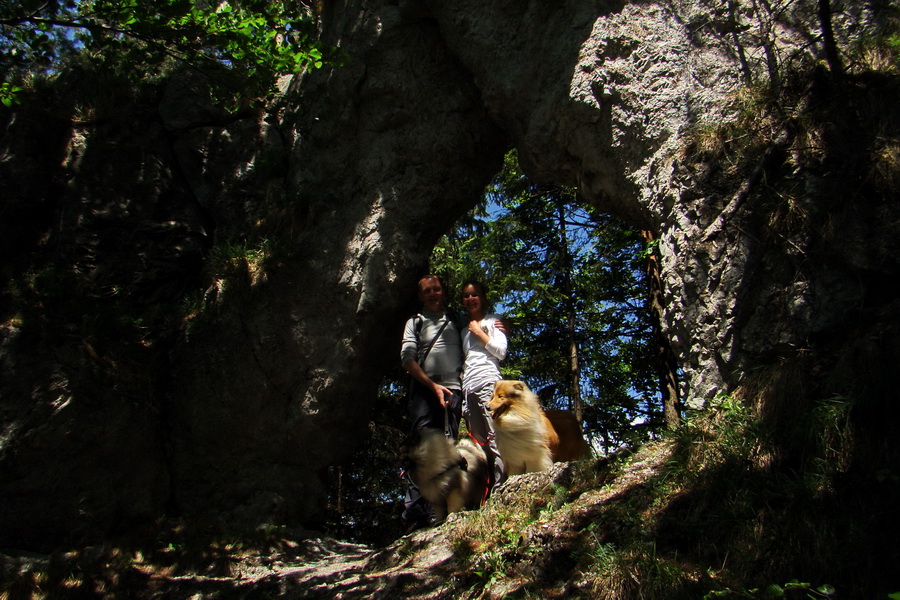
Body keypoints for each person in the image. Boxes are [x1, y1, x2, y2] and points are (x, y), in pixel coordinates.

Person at [399, 274, 465, 529]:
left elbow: (477, 334)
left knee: (449, 449)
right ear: (421, 296)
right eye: (427, 291)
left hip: (454, 390)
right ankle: (414, 516)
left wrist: (501, 326)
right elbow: (407, 359)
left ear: (443, 291)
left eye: (436, 289)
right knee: (424, 453)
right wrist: (432, 385)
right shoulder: (415, 323)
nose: (433, 294)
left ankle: (442, 512)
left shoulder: (457, 319)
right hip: (425, 392)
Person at [459, 281, 507, 493]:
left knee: (495, 435)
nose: (471, 299)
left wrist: (480, 332)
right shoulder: (463, 332)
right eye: (467, 296)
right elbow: (467, 360)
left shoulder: (493, 323)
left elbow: (501, 352)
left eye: (475, 295)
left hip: (488, 382)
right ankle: (490, 487)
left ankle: (504, 484)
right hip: (469, 388)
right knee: (479, 442)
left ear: (483, 298)